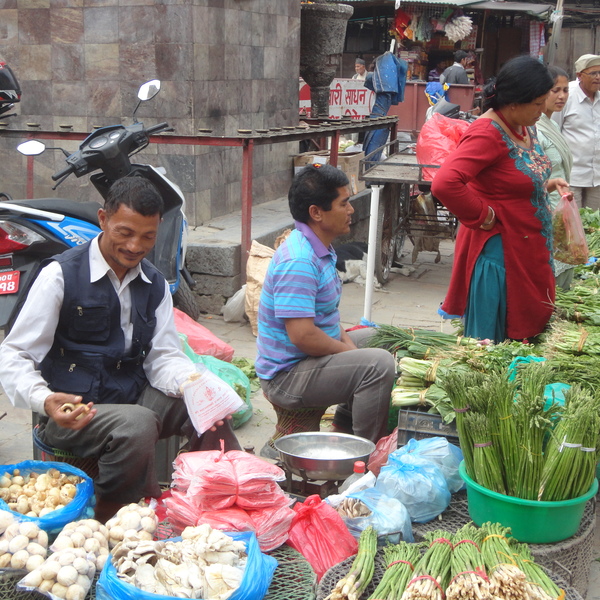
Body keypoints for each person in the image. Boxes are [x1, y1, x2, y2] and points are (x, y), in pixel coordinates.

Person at [0, 177, 240, 522]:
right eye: (125, 232)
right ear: (103, 219)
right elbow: (14, 354)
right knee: (138, 423)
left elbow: (164, 357)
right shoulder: (60, 275)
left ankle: (217, 502)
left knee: (208, 413)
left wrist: (198, 387)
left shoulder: (154, 283)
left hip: (130, 395)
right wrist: (43, 399)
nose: (135, 246)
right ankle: (112, 517)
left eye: (147, 236)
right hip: (74, 412)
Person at [431, 55, 570, 343]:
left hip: (528, 246)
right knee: (496, 342)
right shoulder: (486, 132)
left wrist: (545, 185)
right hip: (501, 254)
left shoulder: (524, 123)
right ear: (514, 102)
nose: (542, 108)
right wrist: (485, 216)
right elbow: (445, 183)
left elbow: (511, 178)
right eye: (537, 103)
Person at [255, 164, 395, 444]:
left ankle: (345, 425)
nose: (351, 210)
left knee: (383, 339)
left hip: (309, 360)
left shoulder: (321, 248)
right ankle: (366, 455)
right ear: (316, 213)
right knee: (378, 365)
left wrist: (350, 349)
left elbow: (327, 316)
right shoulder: (299, 261)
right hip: (287, 376)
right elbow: (303, 336)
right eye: (343, 203)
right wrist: (347, 352)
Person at [536, 66, 575, 290]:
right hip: (547, 206)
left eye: (565, 90)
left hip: (560, 204)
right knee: (551, 268)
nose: (561, 96)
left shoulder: (550, 124)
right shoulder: (535, 128)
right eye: (555, 90)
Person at [553, 54, 600, 210]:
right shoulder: (565, 96)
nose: (598, 77)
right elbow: (554, 132)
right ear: (580, 75)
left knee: (594, 224)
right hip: (572, 176)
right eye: (593, 73)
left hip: (597, 175)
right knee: (572, 224)